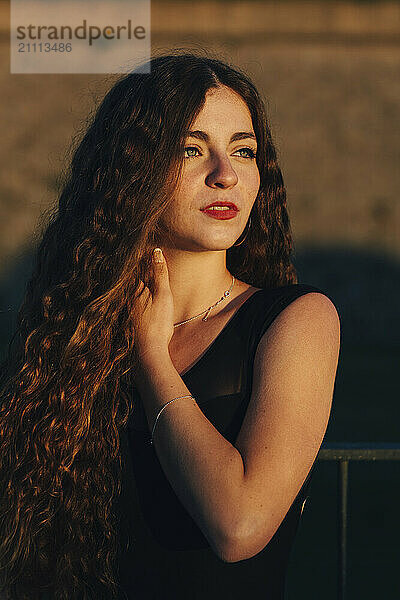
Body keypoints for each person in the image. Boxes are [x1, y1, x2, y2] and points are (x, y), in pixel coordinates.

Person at [0, 51, 340, 600]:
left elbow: (239, 527)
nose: (225, 174)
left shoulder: (296, 320)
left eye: (243, 151)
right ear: (135, 167)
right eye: (191, 148)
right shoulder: (80, 334)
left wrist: (152, 358)